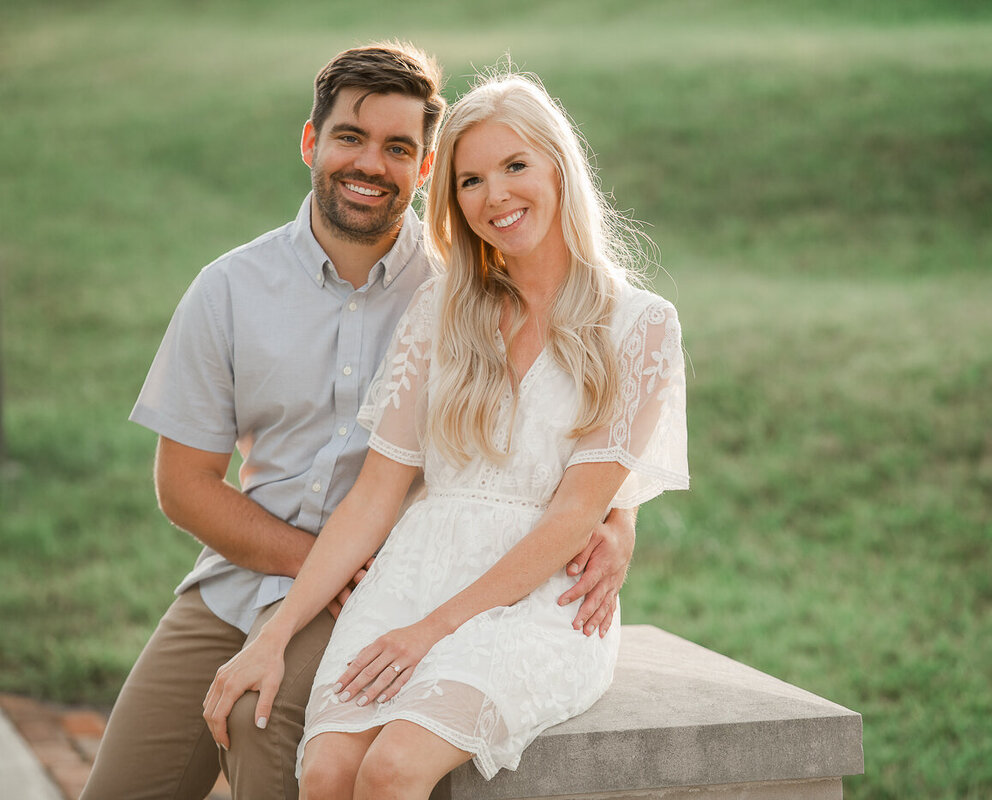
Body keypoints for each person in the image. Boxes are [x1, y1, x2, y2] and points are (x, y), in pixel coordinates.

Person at [82, 43, 636, 800]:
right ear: (312, 141)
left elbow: (568, 405)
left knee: (259, 717)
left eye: (399, 148)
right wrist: (312, 561)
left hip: (383, 583)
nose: (371, 164)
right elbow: (183, 487)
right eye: (350, 137)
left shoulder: (461, 292)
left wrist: (618, 521)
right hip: (242, 577)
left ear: (426, 167)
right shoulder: (230, 289)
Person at [202, 71, 688, 799]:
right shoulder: (441, 310)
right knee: (330, 770)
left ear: (559, 165)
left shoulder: (639, 324)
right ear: (452, 200)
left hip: (535, 601)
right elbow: (373, 498)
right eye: (470, 180)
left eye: (515, 166)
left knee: (392, 769)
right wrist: (271, 638)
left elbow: (573, 517)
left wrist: (432, 632)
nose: (496, 196)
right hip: (415, 574)